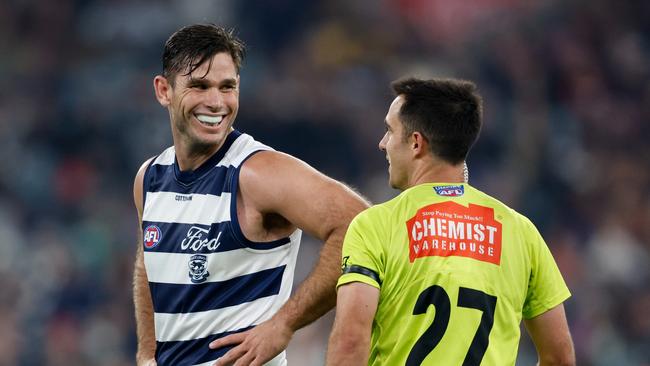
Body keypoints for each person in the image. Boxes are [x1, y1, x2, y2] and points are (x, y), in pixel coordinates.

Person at [132, 24, 369, 366]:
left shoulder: (257, 173)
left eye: (227, 87)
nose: (215, 102)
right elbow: (148, 262)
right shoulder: (150, 178)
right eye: (199, 86)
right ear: (164, 90)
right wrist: (146, 352)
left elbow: (360, 225)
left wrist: (284, 324)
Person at [326, 78, 575, 366]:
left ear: (416, 143)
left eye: (389, 131)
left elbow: (350, 343)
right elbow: (559, 357)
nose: (382, 144)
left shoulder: (375, 226)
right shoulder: (520, 231)